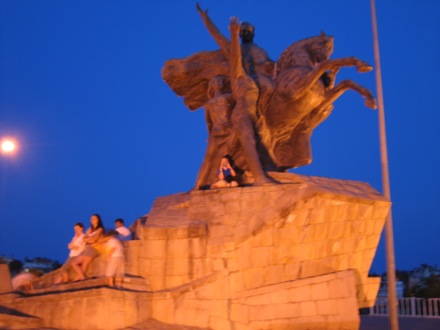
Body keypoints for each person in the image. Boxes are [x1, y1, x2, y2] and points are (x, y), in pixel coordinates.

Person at [196, 4, 275, 185]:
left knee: (253, 144)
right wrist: (210, 21)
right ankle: (261, 178)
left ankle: (260, 173)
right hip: (242, 115)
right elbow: (223, 43)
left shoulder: (257, 77)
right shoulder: (238, 75)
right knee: (248, 142)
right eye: (243, 31)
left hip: (254, 115)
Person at [71, 214, 104, 281]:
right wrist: (90, 239)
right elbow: (84, 239)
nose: (92, 220)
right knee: (74, 263)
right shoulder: (89, 229)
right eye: (91, 219)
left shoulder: (100, 229)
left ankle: (76, 280)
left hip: (94, 248)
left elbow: (95, 239)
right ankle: (82, 278)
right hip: (87, 247)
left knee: (84, 264)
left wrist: (89, 239)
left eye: (94, 219)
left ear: (98, 220)